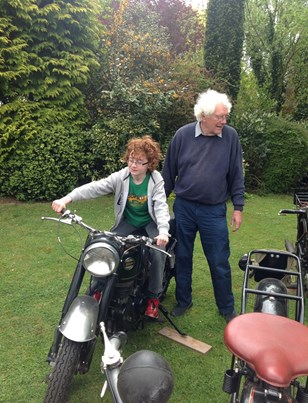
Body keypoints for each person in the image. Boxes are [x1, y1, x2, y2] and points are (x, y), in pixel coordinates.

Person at [52, 135, 170, 319]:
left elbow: (161, 207)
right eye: (131, 159)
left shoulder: (156, 180)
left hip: (149, 224)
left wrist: (163, 231)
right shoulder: (122, 177)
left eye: (139, 161)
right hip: (128, 222)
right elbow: (95, 187)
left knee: (157, 251)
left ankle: (153, 298)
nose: (133, 165)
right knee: (106, 247)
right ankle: (99, 288)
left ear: (150, 163)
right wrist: (67, 198)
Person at [162, 89, 245, 322]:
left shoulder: (230, 137)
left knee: (219, 260)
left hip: (214, 211)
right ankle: (183, 301)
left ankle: (227, 308)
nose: (224, 121)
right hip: (184, 208)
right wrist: (157, 205)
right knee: (182, 256)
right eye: (219, 116)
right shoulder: (182, 135)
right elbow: (168, 174)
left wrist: (238, 207)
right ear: (204, 116)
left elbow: (237, 174)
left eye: (225, 116)